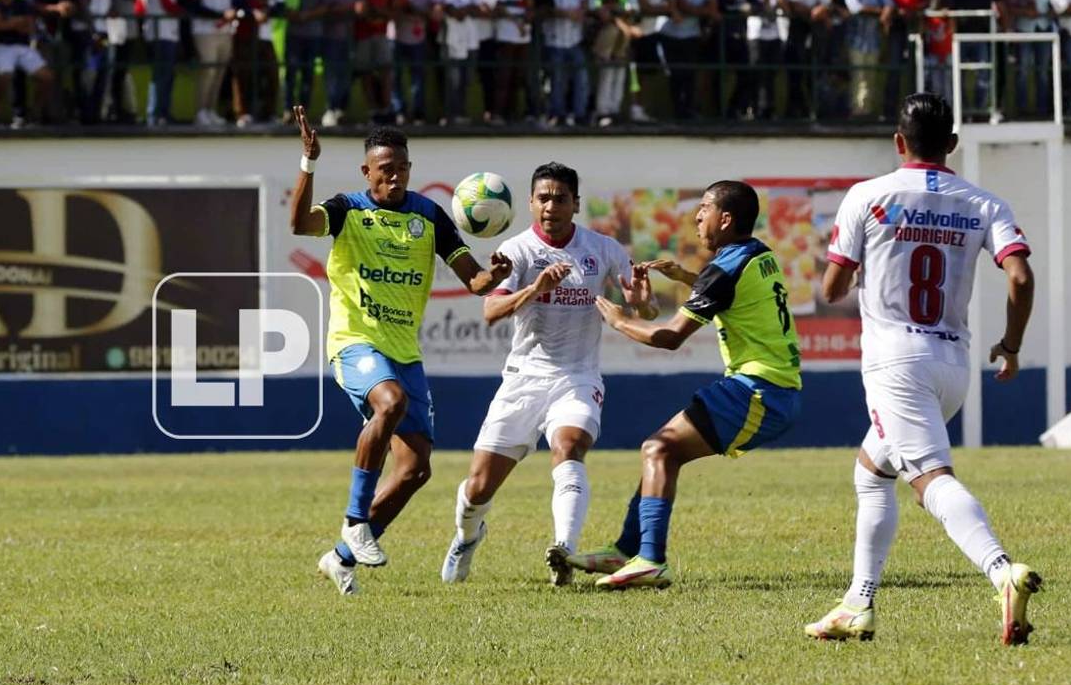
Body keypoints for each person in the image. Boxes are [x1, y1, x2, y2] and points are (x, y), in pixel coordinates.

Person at [805, 93, 1039, 645]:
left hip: (895, 364)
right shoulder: (984, 203)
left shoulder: (867, 196)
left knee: (931, 481)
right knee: (871, 473)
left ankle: (1001, 570)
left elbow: (833, 287)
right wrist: (1010, 344)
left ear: (897, 141)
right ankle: (857, 603)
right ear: (952, 145)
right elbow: (1021, 278)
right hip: (953, 365)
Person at [291, 119, 512, 596]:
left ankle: (340, 557)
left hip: (406, 353)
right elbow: (298, 224)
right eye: (385, 169)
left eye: (402, 169)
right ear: (366, 171)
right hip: (355, 341)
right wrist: (309, 163)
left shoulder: (429, 215)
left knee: (415, 470)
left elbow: (473, 279)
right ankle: (355, 519)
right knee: (389, 404)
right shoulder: (347, 209)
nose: (395, 177)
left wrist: (493, 274)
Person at [571, 180, 803, 588]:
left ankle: (651, 560)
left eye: (704, 209)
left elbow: (670, 337)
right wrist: (687, 278)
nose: (696, 218)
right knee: (663, 450)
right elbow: (730, 293)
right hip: (768, 388)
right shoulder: (757, 255)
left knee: (658, 448)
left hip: (760, 392)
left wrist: (620, 320)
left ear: (725, 218)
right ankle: (627, 550)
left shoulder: (725, 267)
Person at [441, 162, 657, 586]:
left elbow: (643, 308)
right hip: (523, 378)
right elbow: (490, 311)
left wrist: (644, 303)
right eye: (543, 198)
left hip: (578, 376)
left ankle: (565, 551)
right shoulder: (517, 250)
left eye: (560, 198)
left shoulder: (604, 248)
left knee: (569, 446)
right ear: (530, 203)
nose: (551, 206)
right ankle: (468, 535)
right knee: (479, 487)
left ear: (576, 203)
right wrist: (535, 289)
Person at [0, 0, 55, 128]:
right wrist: (16, 22)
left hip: (22, 47)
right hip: (2, 47)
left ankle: (34, 114)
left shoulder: (22, 4)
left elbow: (28, 27)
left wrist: (9, 23)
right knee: (5, 76)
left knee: (47, 77)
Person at [183, 0, 237, 126]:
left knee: (221, 71)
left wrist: (231, 13)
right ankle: (201, 110)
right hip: (204, 30)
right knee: (208, 70)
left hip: (226, 30)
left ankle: (211, 109)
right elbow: (194, 7)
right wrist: (221, 14)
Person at [136, 0, 184, 126]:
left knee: (164, 74)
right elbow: (169, 6)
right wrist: (184, 11)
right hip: (162, 32)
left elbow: (139, 7)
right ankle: (156, 113)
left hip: (160, 31)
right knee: (162, 74)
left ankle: (160, 112)